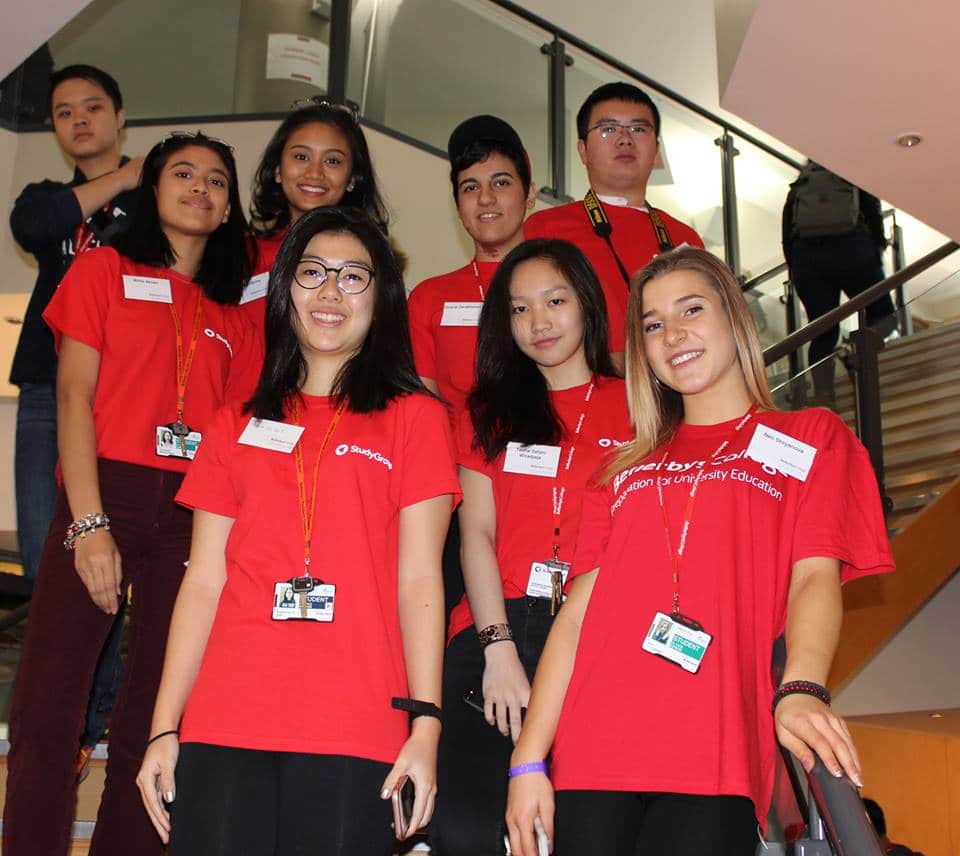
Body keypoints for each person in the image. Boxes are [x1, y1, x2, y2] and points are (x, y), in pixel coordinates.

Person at [505, 247, 895, 856]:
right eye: (652, 324)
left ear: (734, 317)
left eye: (691, 310)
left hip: (714, 749)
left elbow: (812, 578)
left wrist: (803, 686)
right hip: (594, 746)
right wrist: (528, 760)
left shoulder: (809, 437)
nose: (672, 334)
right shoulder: (621, 468)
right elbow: (578, 615)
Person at [136, 206, 460, 856]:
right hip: (224, 716)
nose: (330, 292)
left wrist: (425, 722)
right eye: (312, 272)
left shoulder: (416, 418)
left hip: (356, 720)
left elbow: (421, 579)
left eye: (353, 276)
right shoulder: (234, 424)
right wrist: (163, 727)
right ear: (285, 289)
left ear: (382, 297)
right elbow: (204, 581)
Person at [2, 131, 258, 856]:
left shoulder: (235, 316)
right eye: (183, 173)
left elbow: (235, 437)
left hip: (192, 515)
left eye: (216, 180)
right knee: (49, 702)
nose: (200, 187)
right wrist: (89, 524)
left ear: (229, 208)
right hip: (102, 491)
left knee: (157, 710)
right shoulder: (103, 270)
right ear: (151, 189)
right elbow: (74, 397)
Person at [431, 239, 632, 855]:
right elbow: (476, 534)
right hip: (497, 624)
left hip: (596, 629)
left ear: (587, 304)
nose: (538, 321)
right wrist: (497, 647)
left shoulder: (641, 406)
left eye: (554, 301)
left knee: (582, 829)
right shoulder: (487, 413)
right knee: (464, 828)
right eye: (519, 309)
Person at [9, 64, 142, 584]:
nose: (79, 120)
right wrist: (124, 177)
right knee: (43, 542)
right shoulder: (42, 197)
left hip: (123, 387)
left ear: (120, 116)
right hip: (47, 383)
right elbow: (34, 228)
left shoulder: (156, 198)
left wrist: (139, 183)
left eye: (92, 108)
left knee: (119, 542)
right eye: (64, 113)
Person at [408, 114, 536, 621]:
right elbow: (422, 411)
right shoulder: (430, 298)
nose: (486, 199)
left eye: (501, 183)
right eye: (470, 187)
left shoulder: (566, 286)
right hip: (457, 500)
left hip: (548, 490)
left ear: (529, 193)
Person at [524, 82, 703, 367]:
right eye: (608, 129)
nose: (625, 139)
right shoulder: (545, 229)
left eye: (638, 129)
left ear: (656, 150)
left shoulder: (686, 238)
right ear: (583, 150)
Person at [242, 99, 390, 326]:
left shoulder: (373, 261)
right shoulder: (245, 256)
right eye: (301, 157)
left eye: (332, 161)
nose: (314, 173)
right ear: (278, 170)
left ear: (352, 178)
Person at [782, 162, 896, 407]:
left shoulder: (801, 183)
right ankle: (855, 350)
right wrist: (875, 250)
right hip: (853, 249)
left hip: (808, 259)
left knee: (822, 330)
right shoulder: (852, 172)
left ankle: (824, 396)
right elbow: (872, 212)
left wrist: (798, 264)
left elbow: (787, 231)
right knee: (885, 316)